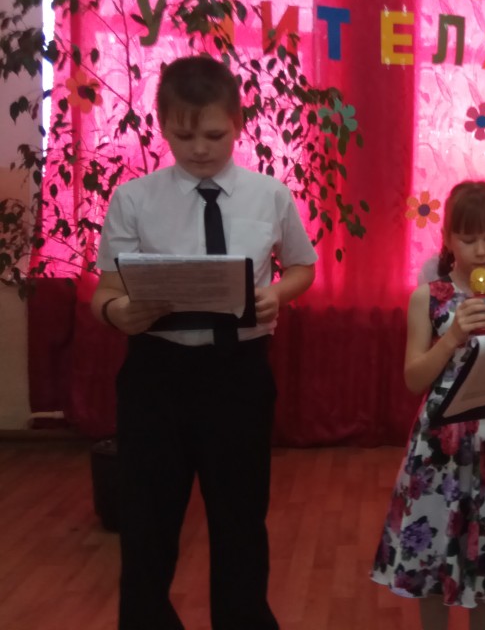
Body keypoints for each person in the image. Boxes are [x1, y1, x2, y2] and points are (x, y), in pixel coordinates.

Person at [90, 55, 317, 630]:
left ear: (238, 123)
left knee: (241, 522)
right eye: (182, 135)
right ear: (163, 126)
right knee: (147, 526)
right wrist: (121, 312)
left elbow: (302, 267)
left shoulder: (269, 195)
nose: (198, 149)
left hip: (238, 374)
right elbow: (106, 291)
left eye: (213, 135)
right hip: (155, 376)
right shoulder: (134, 199)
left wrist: (278, 294)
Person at [371, 181, 485, 630]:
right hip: (440, 443)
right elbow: (414, 379)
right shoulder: (427, 298)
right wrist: (452, 335)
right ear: (448, 240)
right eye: (469, 239)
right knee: (433, 553)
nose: (481, 251)